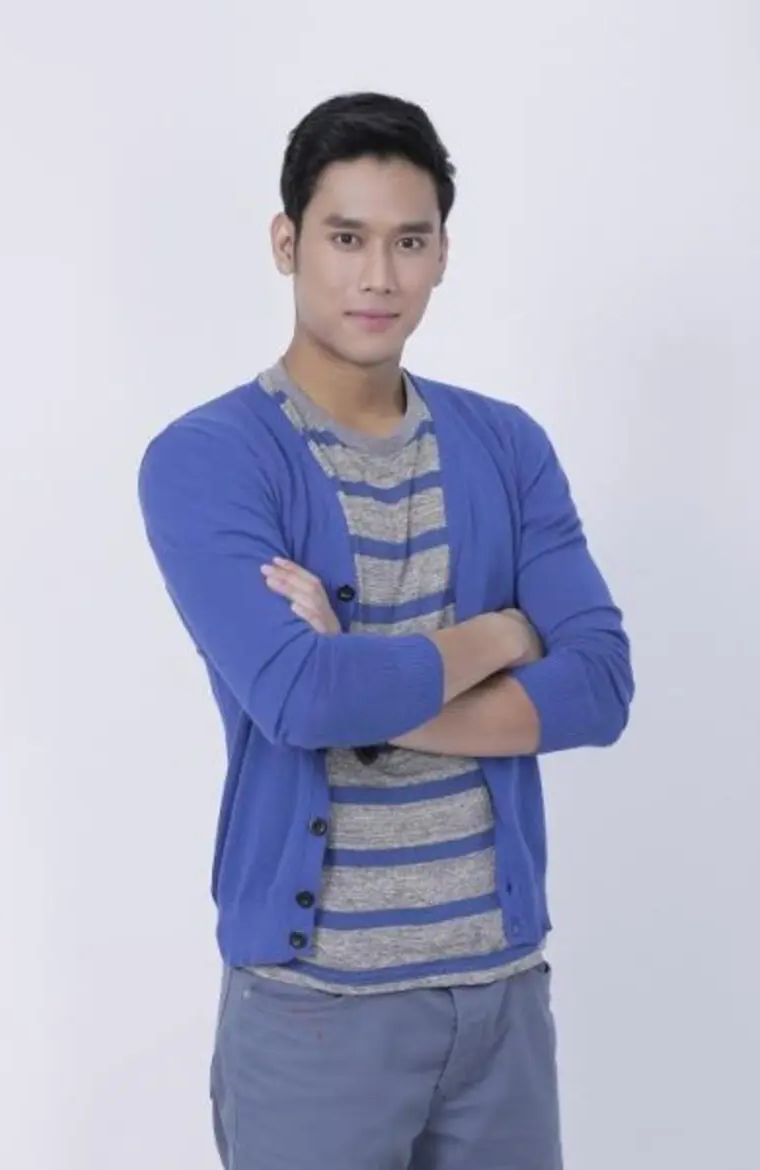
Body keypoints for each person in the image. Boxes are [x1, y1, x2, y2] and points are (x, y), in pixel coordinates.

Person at [137, 91, 634, 1170]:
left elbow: (600, 689)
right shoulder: (209, 459)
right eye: (346, 237)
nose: (378, 276)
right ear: (287, 243)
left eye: (409, 241)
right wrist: (502, 635)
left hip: (501, 999)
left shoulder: (507, 446)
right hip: (315, 1012)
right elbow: (298, 696)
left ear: (443, 253)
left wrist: (364, 686)